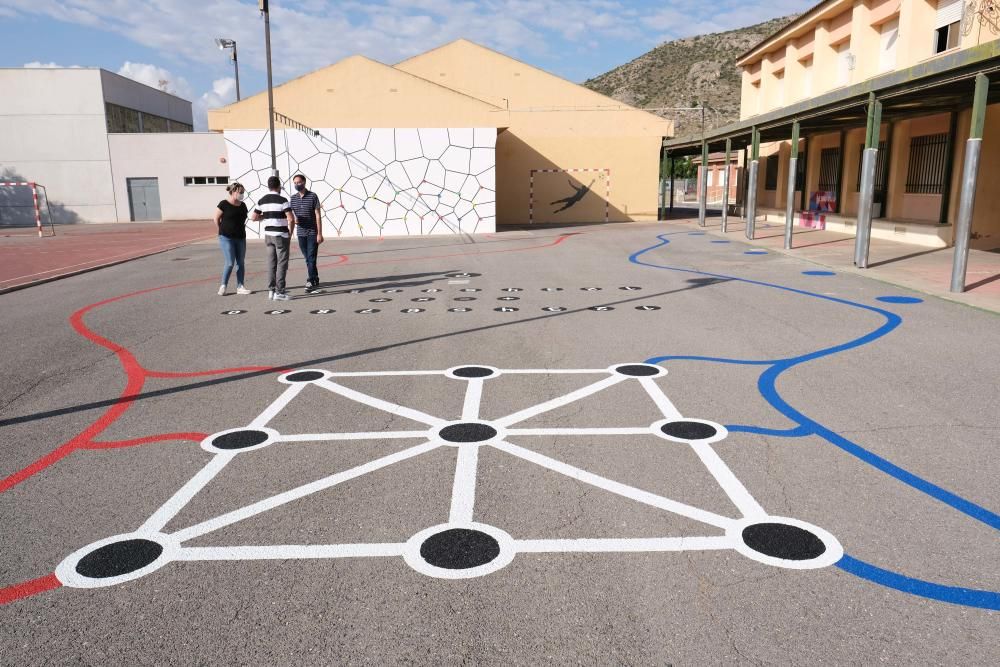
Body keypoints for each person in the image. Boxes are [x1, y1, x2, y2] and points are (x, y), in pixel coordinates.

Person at [251, 176, 296, 301]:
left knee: (271, 263)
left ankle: (271, 291)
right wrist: (290, 233)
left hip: (268, 235)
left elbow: (253, 217)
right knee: (282, 264)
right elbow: (291, 218)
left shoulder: (262, 200)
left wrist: (265, 217)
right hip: (281, 235)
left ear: (268, 186)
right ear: (279, 186)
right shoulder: (283, 200)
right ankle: (280, 291)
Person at [213, 182, 251, 296]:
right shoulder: (223, 204)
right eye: (240, 192)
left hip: (240, 237)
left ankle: (240, 286)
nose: (242, 194)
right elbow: (216, 218)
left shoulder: (243, 205)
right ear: (233, 192)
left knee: (241, 262)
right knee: (230, 262)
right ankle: (223, 285)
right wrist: (221, 230)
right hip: (226, 237)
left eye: (243, 192)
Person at [289, 173, 323, 293]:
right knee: (308, 258)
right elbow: (289, 215)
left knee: (311, 257)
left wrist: (320, 233)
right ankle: (315, 277)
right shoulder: (293, 198)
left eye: (299, 182)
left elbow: (318, 216)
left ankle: (310, 280)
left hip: (312, 232)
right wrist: (294, 220)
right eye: (295, 183)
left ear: (304, 182)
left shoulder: (313, 196)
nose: (297, 184)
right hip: (301, 232)